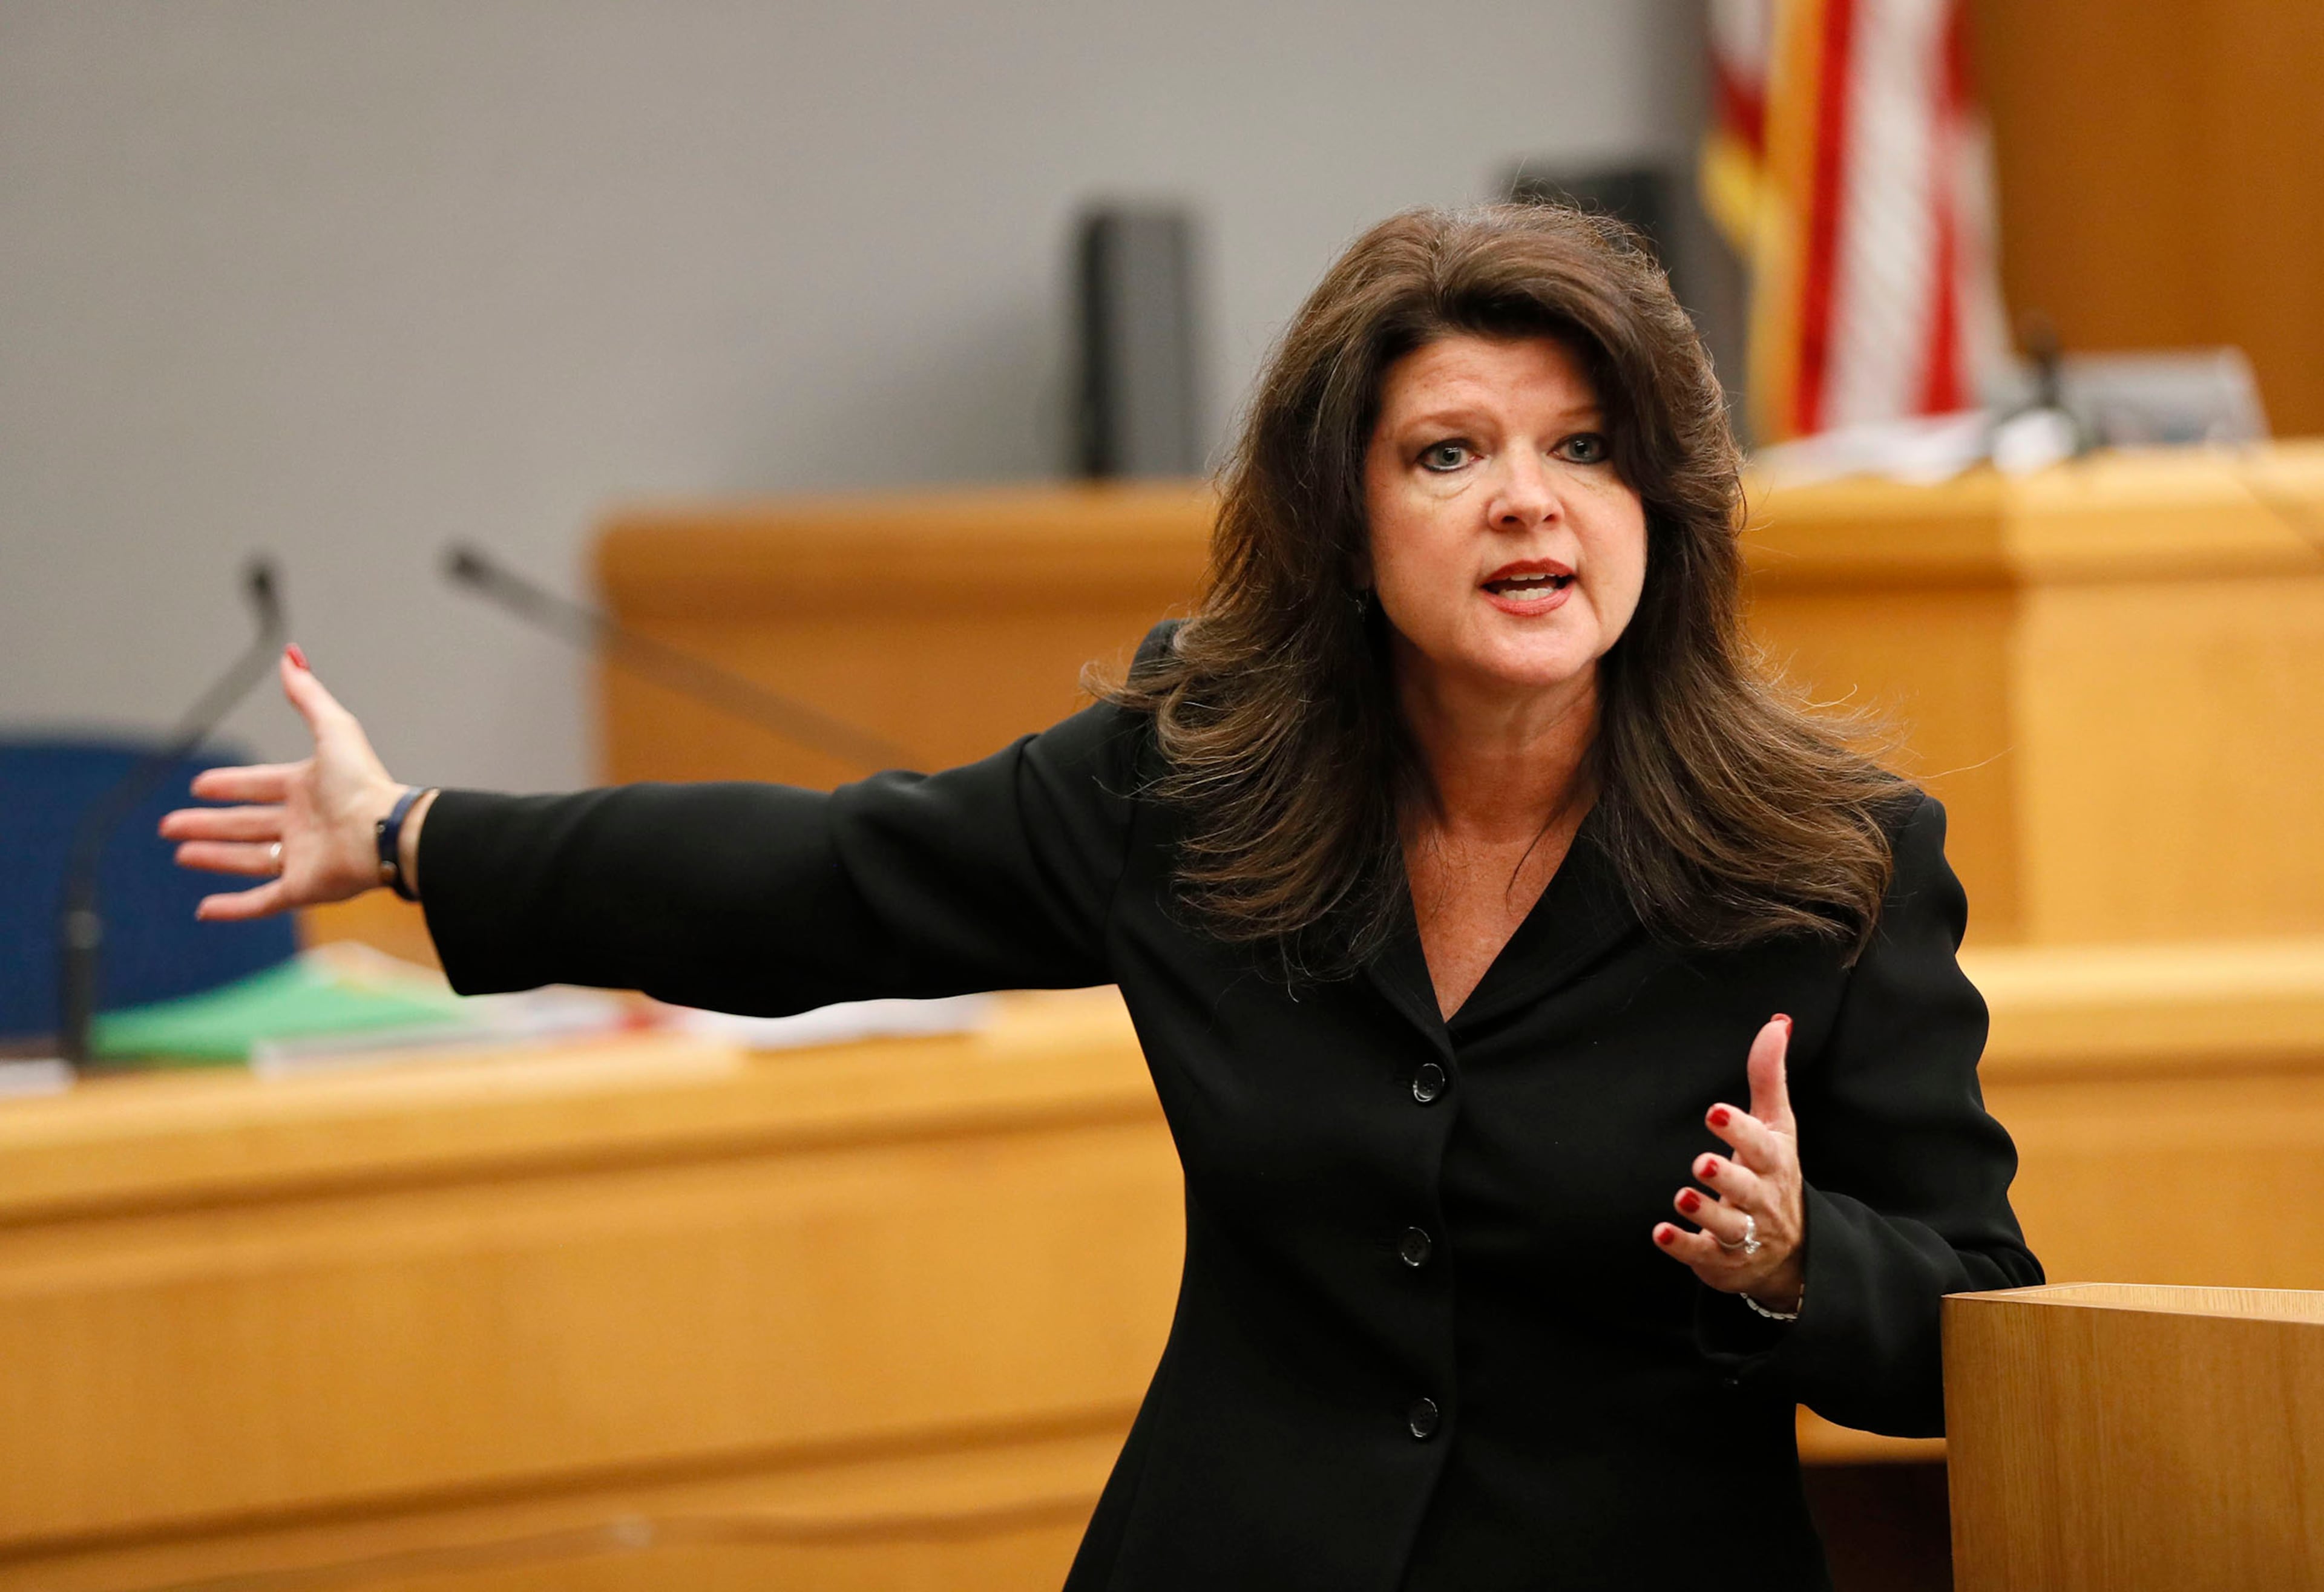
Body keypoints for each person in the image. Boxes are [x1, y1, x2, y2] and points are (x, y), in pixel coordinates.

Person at [166, 203, 2040, 1591]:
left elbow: (1980, 1318)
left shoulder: (1831, 865)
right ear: (1347, 523)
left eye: (1585, 447)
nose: (1528, 501)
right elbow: (827, 883)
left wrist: (1800, 1263)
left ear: (1665, 504)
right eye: (1449, 453)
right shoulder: (1198, 790)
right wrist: (414, 837)